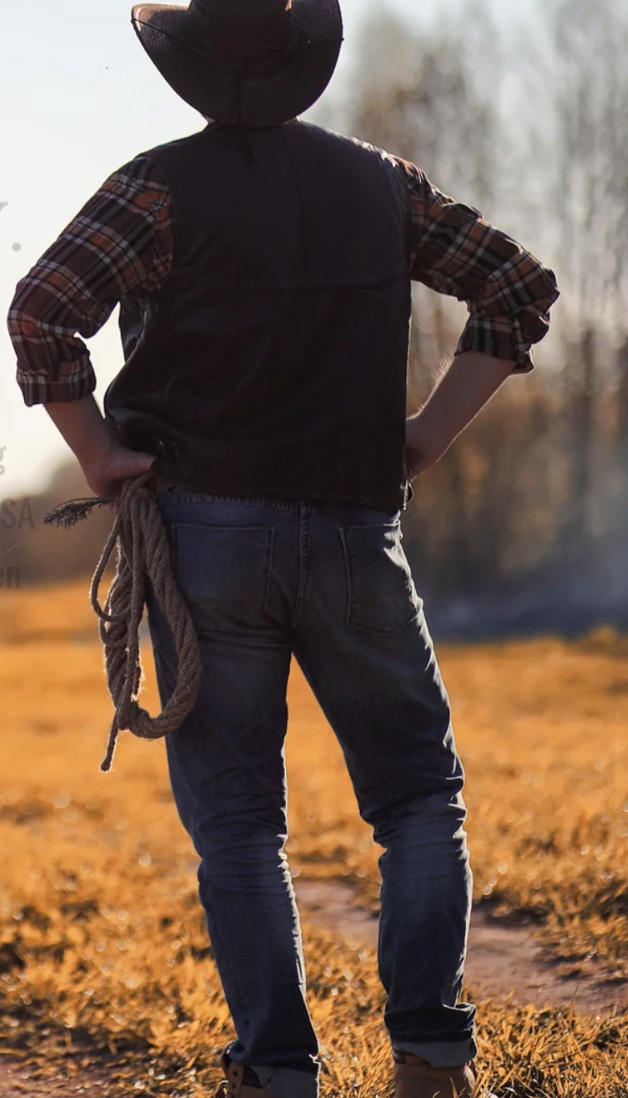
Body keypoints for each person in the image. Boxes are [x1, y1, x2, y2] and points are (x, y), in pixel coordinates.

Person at [6, 1, 559, 1095]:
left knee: (241, 825)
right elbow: (517, 288)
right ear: (309, 65)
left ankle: (275, 1072)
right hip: (357, 525)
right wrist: (424, 437)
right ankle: (431, 1061)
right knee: (416, 801)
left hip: (204, 534)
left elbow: (44, 310)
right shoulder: (381, 184)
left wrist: (100, 454)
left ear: (190, 74)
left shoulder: (153, 185)